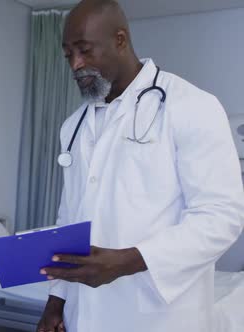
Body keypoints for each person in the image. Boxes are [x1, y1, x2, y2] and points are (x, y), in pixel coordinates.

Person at [36, 1, 244, 331]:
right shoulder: (73, 126)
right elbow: (70, 217)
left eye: (85, 51)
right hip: (84, 314)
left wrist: (128, 261)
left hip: (160, 316)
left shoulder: (190, 106)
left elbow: (221, 216)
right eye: (68, 55)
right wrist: (56, 301)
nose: (76, 64)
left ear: (120, 40)